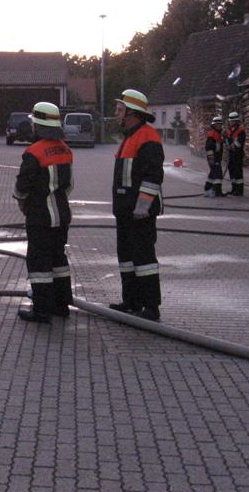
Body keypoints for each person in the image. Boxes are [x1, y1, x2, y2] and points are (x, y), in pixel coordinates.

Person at [12, 101, 73, 323]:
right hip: (62, 216)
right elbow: (69, 185)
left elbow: (22, 186)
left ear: (37, 125)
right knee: (58, 260)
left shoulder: (33, 152)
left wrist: (22, 202)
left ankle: (42, 310)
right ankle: (62, 305)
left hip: (40, 217)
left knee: (39, 264)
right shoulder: (65, 149)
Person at [109, 89, 165, 322]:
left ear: (132, 112)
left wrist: (142, 208)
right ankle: (131, 301)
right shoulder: (130, 137)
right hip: (126, 212)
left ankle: (151, 307)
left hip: (140, 213)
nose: (117, 113)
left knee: (144, 260)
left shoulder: (147, 138)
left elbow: (152, 177)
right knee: (127, 258)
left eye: (120, 109)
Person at [226, 111, 246, 196]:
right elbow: (227, 139)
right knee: (232, 171)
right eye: (230, 121)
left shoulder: (241, 131)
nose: (231, 122)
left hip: (238, 154)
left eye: (233, 121)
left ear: (236, 121)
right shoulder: (229, 130)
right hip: (231, 154)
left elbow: (240, 142)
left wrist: (233, 146)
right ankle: (233, 188)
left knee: (238, 172)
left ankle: (239, 190)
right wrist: (228, 145)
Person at [204, 115, 225, 197]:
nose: (219, 126)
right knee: (218, 174)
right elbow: (208, 147)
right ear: (214, 125)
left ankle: (207, 189)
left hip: (216, 157)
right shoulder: (212, 134)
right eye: (218, 124)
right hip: (213, 158)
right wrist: (212, 159)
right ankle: (217, 191)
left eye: (220, 124)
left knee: (213, 173)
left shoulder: (217, 134)